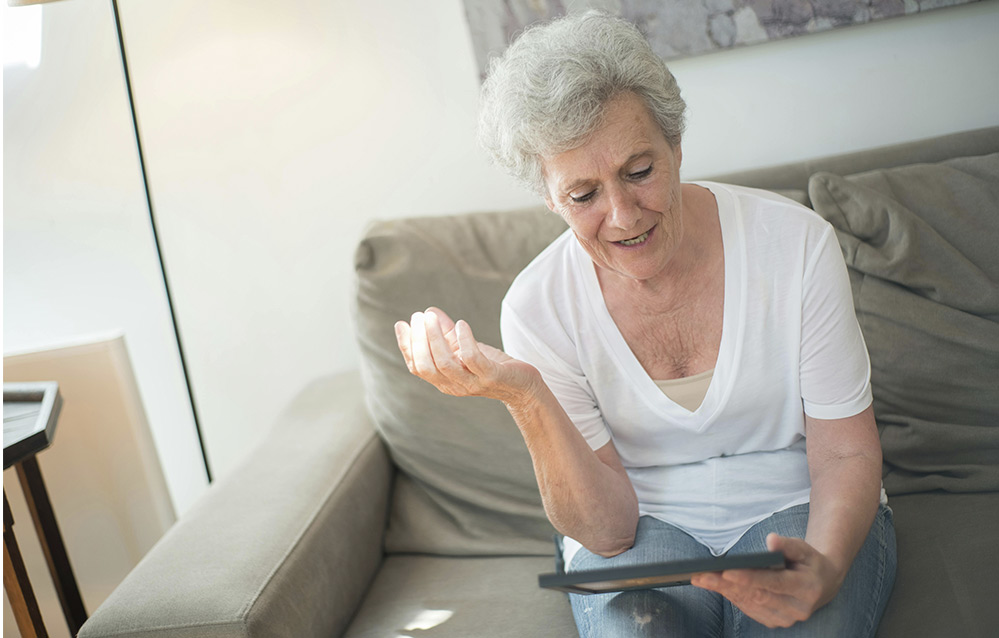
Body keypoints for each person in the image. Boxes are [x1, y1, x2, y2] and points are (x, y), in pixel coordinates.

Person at [394, 11, 896, 637]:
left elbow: (846, 450)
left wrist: (822, 567)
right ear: (550, 198)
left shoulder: (796, 245)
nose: (625, 214)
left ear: (676, 147)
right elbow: (609, 529)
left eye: (639, 171)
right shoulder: (537, 306)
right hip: (645, 525)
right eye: (583, 196)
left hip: (800, 504)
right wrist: (524, 394)